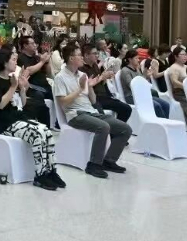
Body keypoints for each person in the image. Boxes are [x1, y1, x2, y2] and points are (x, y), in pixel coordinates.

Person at [0, 47, 64, 190]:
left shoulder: (11, 79)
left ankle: (51, 170)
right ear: (4, 62)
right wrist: (13, 87)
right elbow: (0, 105)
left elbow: (22, 104)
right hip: (4, 123)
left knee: (46, 131)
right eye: (13, 60)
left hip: (16, 117)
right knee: (37, 134)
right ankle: (40, 175)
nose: (16, 63)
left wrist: (22, 89)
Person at [53, 46, 131, 178]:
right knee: (103, 127)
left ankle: (109, 160)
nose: (81, 57)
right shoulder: (60, 77)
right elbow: (63, 102)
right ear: (71, 58)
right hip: (75, 115)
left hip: (90, 111)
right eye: (79, 55)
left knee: (125, 129)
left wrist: (89, 87)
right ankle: (94, 164)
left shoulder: (82, 75)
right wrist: (80, 88)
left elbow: (93, 100)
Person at [79, 44, 131, 122]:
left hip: (104, 95)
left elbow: (101, 82)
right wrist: (102, 77)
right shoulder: (81, 69)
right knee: (126, 109)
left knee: (126, 108)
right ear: (86, 55)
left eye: (97, 53)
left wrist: (105, 77)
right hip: (95, 98)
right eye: (94, 53)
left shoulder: (94, 65)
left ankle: (115, 128)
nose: (97, 56)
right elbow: (87, 86)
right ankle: (115, 128)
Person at [120, 50, 169, 118]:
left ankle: (164, 121)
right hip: (131, 96)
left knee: (166, 105)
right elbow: (132, 86)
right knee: (156, 106)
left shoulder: (136, 69)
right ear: (130, 59)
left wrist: (146, 76)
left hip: (141, 94)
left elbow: (141, 81)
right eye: (136, 58)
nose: (138, 60)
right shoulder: (125, 71)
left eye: (138, 58)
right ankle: (160, 121)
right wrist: (144, 78)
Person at [18, 35, 53, 126]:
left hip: (45, 86)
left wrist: (47, 61)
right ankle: (40, 124)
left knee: (57, 94)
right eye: (32, 43)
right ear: (25, 45)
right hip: (32, 87)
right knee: (39, 96)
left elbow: (49, 74)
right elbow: (29, 71)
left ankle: (57, 122)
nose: (35, 45)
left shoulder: (37, 58)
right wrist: (42, 62)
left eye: (35, 43)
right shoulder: (21, 58)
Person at [166, 46, 187, 129]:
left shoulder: (186, 67)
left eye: (185, 54)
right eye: (182, 54)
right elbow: (175, 82)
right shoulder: (174, 68)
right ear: (176, 56)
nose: (185, 56)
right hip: (180, 93)